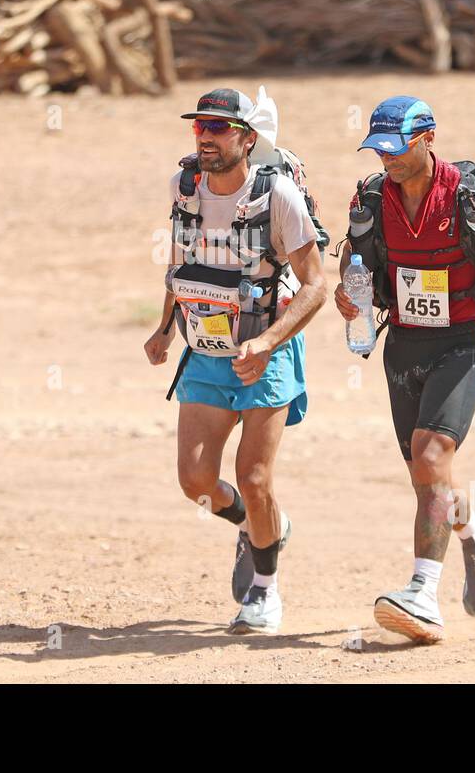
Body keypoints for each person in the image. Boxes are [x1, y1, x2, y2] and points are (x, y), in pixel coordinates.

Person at [335, 96, 475, 643]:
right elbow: (353, 254)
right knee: (424, 472)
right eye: (379, 150)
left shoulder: (470, 192)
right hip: (404, 339)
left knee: (432, 454)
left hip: (467, 336)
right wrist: (349, 288)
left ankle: (422, 594)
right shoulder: (370, 195)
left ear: (427, 138)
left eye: (397, 149)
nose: (387, 159)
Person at [145, 88, 327, 634]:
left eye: (220, 127)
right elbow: (182, 265)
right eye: (200, 125)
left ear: (248, 139)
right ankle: (262, 527)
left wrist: (269, 340)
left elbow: (317, 286)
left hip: (264, 353)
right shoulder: (183, 188)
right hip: (205, 350)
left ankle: (265, 590)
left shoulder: (279, 198)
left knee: (253, 475)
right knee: (196, 479)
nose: (206, 135)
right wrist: (162, 329)